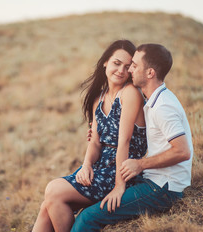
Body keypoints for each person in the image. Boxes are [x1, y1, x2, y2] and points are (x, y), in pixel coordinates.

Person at [71, 43, 194, 232]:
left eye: (134, 65)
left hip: (162, 188)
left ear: (150, 73)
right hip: (153, 180)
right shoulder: (153, 100)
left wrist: (140, 164)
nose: (129, 70)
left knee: (87, 218)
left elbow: (183, 151)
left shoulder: (162, 106)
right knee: (85, 210)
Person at [32, 40, 148, 232]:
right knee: (48, 205)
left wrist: (120, 186)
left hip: (121, 170)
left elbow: (124, 141)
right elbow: (95, 142)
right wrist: (85, 166)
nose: (121, 70)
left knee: (53, 191)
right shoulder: (98, 98)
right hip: (100, 166)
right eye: (116, 63)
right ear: (105, 62)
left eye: (128, 67)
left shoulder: (130, 94)